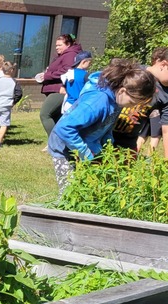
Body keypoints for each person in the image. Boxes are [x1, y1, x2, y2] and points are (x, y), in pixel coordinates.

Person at [47, 59, 156, 194]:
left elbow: (107, 126)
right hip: (64, 148)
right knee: (70, 193)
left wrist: (107, 146)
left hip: (87, 147)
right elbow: (64, 128)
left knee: (91, 190)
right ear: (122, 90)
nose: (133, 107)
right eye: (133, 101)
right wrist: (85, 153)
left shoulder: (117, 100)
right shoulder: (97, 102)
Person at [110, 47, 168, 153]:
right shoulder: (132, 72)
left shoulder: (166, 93)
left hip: (127, 145)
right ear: (164, 65)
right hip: (102, 137)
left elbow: (166, 130)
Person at [36, 34, 82, 140]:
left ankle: (54, 142)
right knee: (56, 117)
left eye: (60, 45)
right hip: (54, 88)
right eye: (56, 45)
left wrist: (47, 75)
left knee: (45, 114)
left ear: (68, 44)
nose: (57, 47)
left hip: (60, 89)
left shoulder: (70, 54)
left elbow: (66, 71)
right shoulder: (64, 55)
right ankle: (61, 143)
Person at [60, 50, 92, 115]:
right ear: (84, 62)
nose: (90, 65)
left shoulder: (68, 74)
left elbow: (62, 91)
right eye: (90, 63)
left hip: (68, 105)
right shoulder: (86, 75)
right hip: (79, 105)